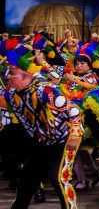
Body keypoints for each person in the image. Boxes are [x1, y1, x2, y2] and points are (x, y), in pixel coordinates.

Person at [4, 44, 83, 209]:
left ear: (26, 75)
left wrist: (75, 135)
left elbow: (74, 111)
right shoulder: (11, 94)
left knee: (59, 178)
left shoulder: (45, 91)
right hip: (43, 142)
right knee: (26, 180)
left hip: (64, 140)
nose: (8, 76)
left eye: (12, 73)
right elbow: (24, 120)